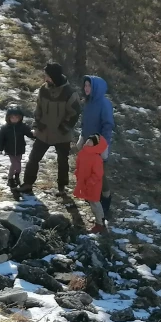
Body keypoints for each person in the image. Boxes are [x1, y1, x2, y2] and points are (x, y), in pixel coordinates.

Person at [16, 63, 81, 195]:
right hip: (43, 132)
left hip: (62, 134)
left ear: (54, 76)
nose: (45, 78)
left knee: (62, 161)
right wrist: (37, 124)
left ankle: (62, 188)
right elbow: (38, 109)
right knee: (33, 158)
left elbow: (74, 113)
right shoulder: (43, 90)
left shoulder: (70, 93)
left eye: (47, 75)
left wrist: (63, 128)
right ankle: (27, 184)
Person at [77, 75, 115, 219]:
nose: (86, 88)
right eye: (85, 86)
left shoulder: (104, 104)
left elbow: (107, 125)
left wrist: (100, 144)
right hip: (87, 143)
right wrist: (82, 136)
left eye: (89, 86)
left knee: (99, 175)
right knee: (87, 171)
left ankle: (106, 198)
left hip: (98, 144)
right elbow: (85, 123)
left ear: (96, 88)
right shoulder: (88, 102)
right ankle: (91, 195)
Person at [74, 134, 108, 234]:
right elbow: (78, 165)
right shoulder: (82, 153)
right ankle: (100, 219)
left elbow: (98, 174)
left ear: (95, 145)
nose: (88, 141)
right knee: (92, 202)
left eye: (91, 141)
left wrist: (90, 182)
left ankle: (99, 224)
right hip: (84, 182)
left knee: (95, 203)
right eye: (88, 140)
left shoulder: (96, 158)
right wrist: (77, 174)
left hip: (93, 185)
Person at [0, 106, 35, 188]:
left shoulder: (22, 127)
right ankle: (10, 178)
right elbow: (0, 138)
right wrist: (0, 147)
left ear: (20, 118)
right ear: (8, 118)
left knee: (18, 163)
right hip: (9, 149)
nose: (14, 119)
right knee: (14, 164)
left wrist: (34, 135)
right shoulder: (5, 128)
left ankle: (17, 176)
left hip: (20, 148)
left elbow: (29, 133)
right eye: (12, 117)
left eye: (16, 117)